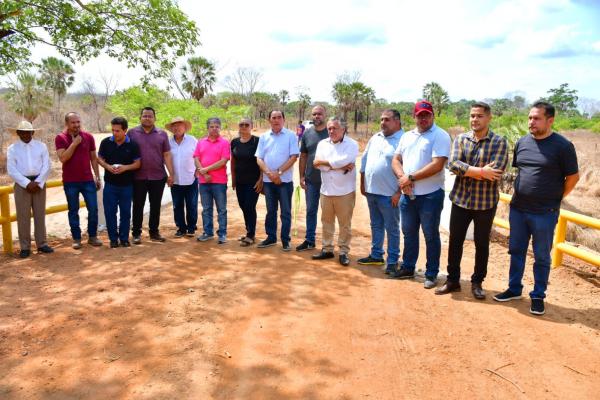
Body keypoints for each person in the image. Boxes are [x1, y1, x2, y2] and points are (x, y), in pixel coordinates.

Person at [494, 101, 579, 315]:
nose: (531, 122)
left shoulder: (563, 146)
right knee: (516, 250)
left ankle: (538, 295)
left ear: (550, 120)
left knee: (541, 255)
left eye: (537, 118)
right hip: (519, 209)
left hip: (545, 212)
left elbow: (573, 177)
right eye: (530, 118)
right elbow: (523, 172)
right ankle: (514, 288)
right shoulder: (522, 142)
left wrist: (556, 197)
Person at [435, 102, 508, 299]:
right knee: (455, 241)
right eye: (472, 116)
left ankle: (477, 282)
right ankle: (452, 281)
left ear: (489, 118)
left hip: (485, 203)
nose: (475, 119)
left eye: (479, 116)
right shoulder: (461, 138)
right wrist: (481, 171)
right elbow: (453, 165)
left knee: (481, 243)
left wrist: (470, 171)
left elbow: (497, 171)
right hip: (461, 200)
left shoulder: (499, 142)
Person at [391, 100, 451, 289]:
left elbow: (437, 164)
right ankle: (408, 267)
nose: (423, 118)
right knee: (408, 232)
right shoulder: (407, 136)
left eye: (427, 114)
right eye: (420, 115)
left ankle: (431, 273)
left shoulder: (440, 136)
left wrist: (410, 178)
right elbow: (396, 159)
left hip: (430, 195)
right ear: (414, 116)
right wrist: (403, 179)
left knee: (430, 234)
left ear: (433, 115)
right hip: (408, 195)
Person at [358, 109, 404, 274]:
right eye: (381, 119)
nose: (383, 122)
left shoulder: (403, 140)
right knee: (376, 225)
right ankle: (376, 255)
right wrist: (363, 183)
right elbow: (364, 160)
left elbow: (407, 168)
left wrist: (399, 192)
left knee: (392, 228)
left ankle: (392, 261)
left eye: (387, 119)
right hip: (372, 191)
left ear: (397, 121)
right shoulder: (375, 137)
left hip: (390, 194)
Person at [311, 117, 359, 266]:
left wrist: (332, 164)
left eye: (335, 128)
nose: (331, 131)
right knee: (326, 222)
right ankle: (327, 249)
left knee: (344, 224)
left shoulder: (352, 144)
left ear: (343, 129)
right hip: (326, 190)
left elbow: (343, 160)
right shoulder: (322, 144)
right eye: (329, 128)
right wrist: (339, 166)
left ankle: (344, 251)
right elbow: (316, 164)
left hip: (345, 191)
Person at [55, 112, 103, 249]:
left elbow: (93, 158)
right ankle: (76, 238)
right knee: (73, 210)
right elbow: (63, 158)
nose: (76, 125)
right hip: (70, 182)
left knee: (93, 209)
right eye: (73, 122)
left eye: (78, 122)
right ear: (67, 124)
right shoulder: (60, 138)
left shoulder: (88, 137)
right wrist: (75, 144)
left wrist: (97, 176)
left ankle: (93, 236)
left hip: (88, 180)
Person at [128, 107, 175, 244]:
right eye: (144, 116)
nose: (147, 118)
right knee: (138, 205)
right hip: (138, 177)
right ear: (140, 118)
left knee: (155, 205)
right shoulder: (132, 133)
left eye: (150, 116)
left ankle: (154, 232)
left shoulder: (162, 134)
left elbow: (166, 155)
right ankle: (136, 233)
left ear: (155, 118)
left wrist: (170, 174)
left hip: (158, 176)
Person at [7, 121, 53, 258]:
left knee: (40, 214)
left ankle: (42, 244)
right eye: (23, 132)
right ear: (18, 133)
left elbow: (47, 165)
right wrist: (27, 183)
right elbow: (11, 170)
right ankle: (25, 247)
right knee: (23, 216)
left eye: (29, 132)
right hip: (22, 185)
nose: (26, 134)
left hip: (39, 183)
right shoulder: (12, 149)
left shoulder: (41, 146)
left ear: (33, 132)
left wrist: (38, 182)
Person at [255, 110, 299, 251]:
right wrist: (270, 174)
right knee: (271, 211)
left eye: (279, 117)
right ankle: (271, 237)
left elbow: (293, 157)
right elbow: (259, 158)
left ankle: (285, 240)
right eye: (273, 117)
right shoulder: (264, 137)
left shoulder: (291, 136)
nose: (276, 120)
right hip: (269, 182)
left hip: (285, 181)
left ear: (283, 119)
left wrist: (278, 173)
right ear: (269, 120)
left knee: (285, 212)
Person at [97, 117, 141, 248]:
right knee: (110, 213)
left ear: (125, 130)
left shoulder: (133, 145)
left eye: (118, 131)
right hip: (110, 184)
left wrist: (125, 168)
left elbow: (138, 163)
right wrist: (108, 167)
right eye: (113, 130)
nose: (114, 133)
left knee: (126, 213)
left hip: (127, 185)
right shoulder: (106, 142)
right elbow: (99, 158)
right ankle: (113, 239)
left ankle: (124, 238)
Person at [296, 105, 328, 252]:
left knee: (328, 214)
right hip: (311, 180)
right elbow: (303, 156)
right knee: (311, 211)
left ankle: (328, 244)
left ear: (325, 115)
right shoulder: (307, 134)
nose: (317, 117)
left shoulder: (332, 132)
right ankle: (310, 240)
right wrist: (301, 176)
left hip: (330, 181)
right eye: (314, 114)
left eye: (319, 114)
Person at [194, 117, 230, 244]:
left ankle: (222, 234)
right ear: (207, 128)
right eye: (212, 126)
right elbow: (196, 157)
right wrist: (203, 171)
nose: (214, 128)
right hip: (204, 182)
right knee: (206, 208)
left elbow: (223, 161)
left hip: (219, 182)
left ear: (220, 128)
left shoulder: (224, 143)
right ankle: (208, 232)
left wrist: (205, 170)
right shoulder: (201, 142)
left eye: (217, 126)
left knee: (221, 209)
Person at [230, 117, 262, 246]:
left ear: (251, 126)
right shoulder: (234, 142)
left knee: (249, 206)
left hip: (253, 181)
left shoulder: (257, 141)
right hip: (240, 181)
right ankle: (249, 231)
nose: (243, 127)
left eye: (246, 124)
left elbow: (262, 160)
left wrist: (261, 179)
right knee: (243, 206)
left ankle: (251, 235)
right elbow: (233, 161)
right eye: (241, 124)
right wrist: (233, 179)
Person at [166, 116, 198, 238]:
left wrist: (198, 171)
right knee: (177, 205)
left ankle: (191, 227)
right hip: (175, 180)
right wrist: (169, 176)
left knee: (191, 204)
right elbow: (165, 159)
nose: (177, 128)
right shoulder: (168, 143)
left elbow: (199, 156)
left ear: (184, 127)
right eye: (174, 126)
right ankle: (181, 228)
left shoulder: (192, 140)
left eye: (179, 125)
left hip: (191, 178)